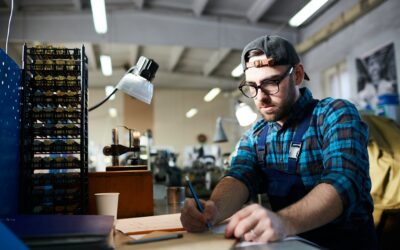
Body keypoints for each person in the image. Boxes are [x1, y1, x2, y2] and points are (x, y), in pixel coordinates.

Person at [180, 35, 378, 250]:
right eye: (252, 87)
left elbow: (343, 181)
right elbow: (239, 175)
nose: (261, 98)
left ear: (298, 75)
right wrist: (213, 209)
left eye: (271, 83)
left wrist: (283, 221)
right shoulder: (256, 135)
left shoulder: (334, 114)